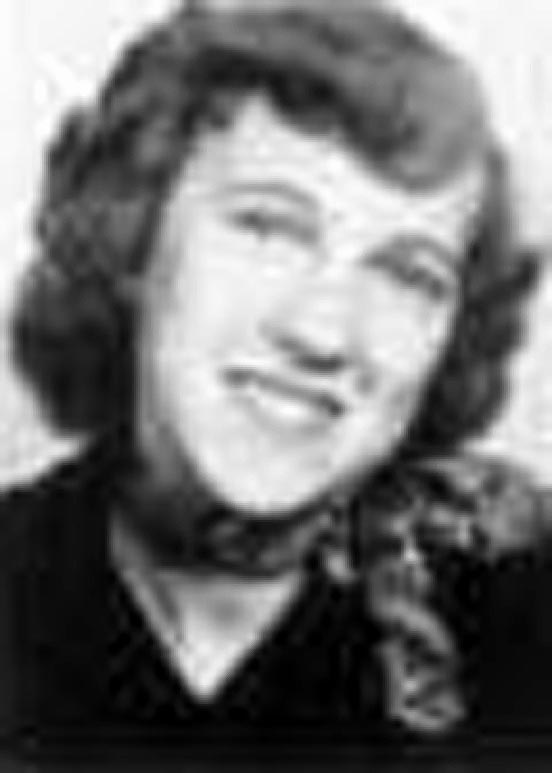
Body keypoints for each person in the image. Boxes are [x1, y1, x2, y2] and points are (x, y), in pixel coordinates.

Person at [1, 0, 551, 763]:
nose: (323, 332)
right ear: (133, 239)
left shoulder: (525, 618)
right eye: (267, 227)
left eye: (407, 275)